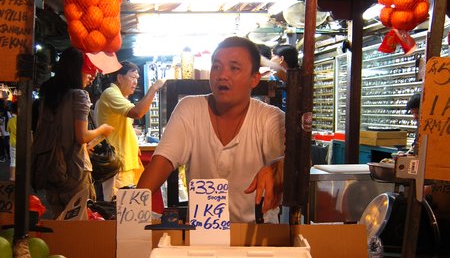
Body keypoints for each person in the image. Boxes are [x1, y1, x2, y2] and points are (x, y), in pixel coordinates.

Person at [137, 36, 285, 223]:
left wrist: (279, 166)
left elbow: (294, 162)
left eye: (234, 68)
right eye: (217, 67)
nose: (222, 75)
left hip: (256, 236)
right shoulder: (189, 109)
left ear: (255, 78)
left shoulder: (269, 118)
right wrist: (133, 206)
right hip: (201, 237)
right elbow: (163, 160)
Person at [31, 47, 114, 218]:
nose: (91, 76)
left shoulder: (48, 95)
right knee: (80, 223)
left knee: (59, 221)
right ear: (76, 70)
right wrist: (102, 130)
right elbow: (81, 135)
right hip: (74, 171)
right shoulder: (79, 96)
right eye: (87, 70)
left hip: (51, 168)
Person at [95, 61, 165, 201]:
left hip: (126, 163)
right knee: (119, 211)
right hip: (118, 166)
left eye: (137, 79)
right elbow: (137, 112)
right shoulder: (110, 93)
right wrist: (154, 88)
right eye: (132, 77)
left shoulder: (120, 97)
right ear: (120, 78)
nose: (135, 82)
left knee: (130, 209)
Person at [6, 101, 17, 181]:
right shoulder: (24, 119)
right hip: (23, 143)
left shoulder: (11, 119)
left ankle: (12, 177)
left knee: (13, 160)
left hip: (13, 142)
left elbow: (8, 130)